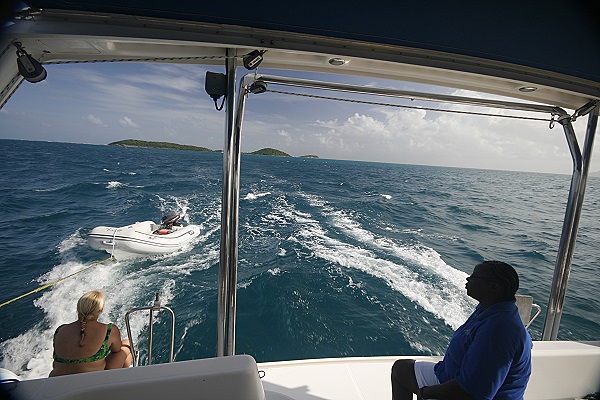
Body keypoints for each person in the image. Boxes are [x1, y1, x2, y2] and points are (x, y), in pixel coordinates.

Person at [391, 260, 532, 400]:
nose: (468, 279)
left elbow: (470, 392)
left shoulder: (498, 330)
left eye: (475, 276)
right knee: (401, 369)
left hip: (465, 392)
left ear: (494, 286)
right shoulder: (489, 308)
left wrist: (425, 392)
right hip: (449, 375)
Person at [49, 290, 132, 377]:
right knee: (127, 344)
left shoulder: (60, 330)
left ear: (78, 308)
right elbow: (116, 349)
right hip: (90, 381)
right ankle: (122, 379)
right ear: (101, 309)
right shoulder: (109, 330)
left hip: (56, 380)